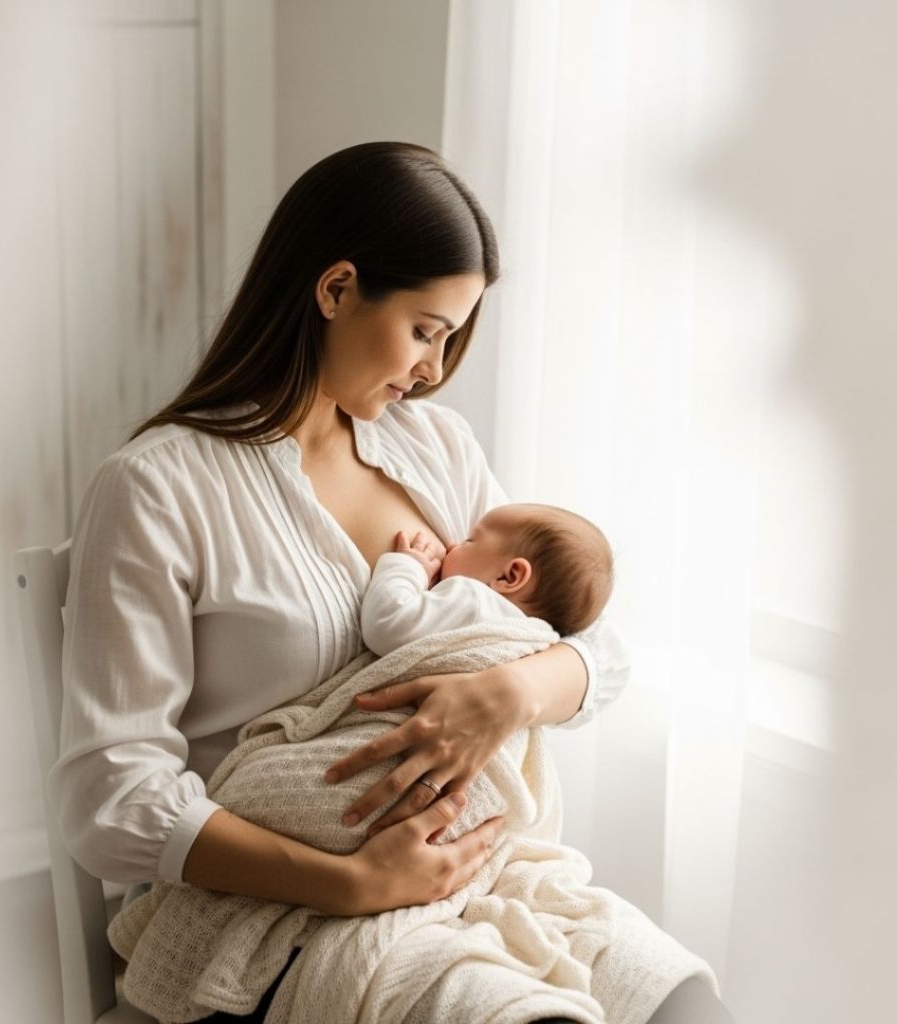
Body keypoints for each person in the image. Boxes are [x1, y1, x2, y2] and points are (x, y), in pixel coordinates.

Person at [49, 141, 732, 1023]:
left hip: (481, 872)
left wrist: (507, 693)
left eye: (448, 341)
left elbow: (588, 643)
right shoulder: (157, 486)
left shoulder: (435, 449)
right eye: (424, 331)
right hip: (272, 911)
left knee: (685, 1007)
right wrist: (349, 881)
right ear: (335, 291)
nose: (433, 372)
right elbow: (110, 800)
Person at [360, 503, 614, 660]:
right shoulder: (534, 640)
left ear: (508, 577)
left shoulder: (474, 600)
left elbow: (387, 624)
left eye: (470, 541)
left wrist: (409, 566)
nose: (452, 544)